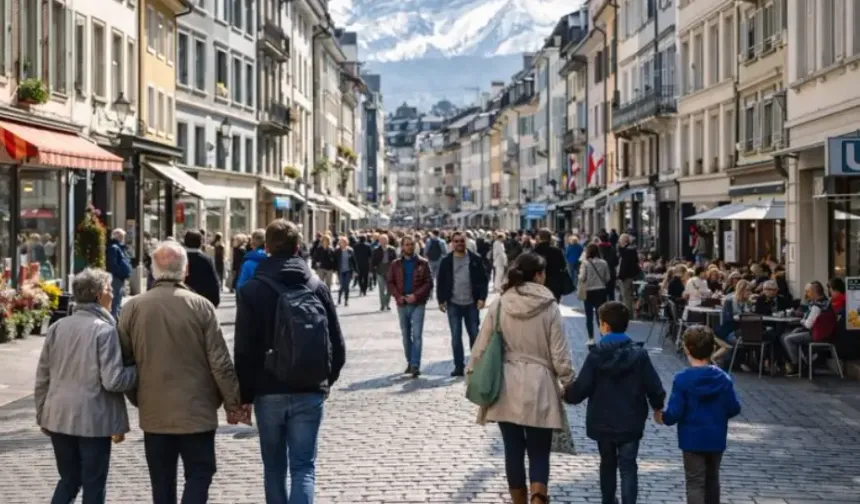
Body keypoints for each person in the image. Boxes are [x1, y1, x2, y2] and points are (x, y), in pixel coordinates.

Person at [118, 240, 244, 504]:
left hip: (155, 409)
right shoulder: (201, 306)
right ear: (185, 271)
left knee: (162, 482)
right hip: (197, 409)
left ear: (153, 271)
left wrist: (138, 397)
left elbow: (124, 361)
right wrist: (233, 402)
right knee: (200, 472)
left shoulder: (132, 308)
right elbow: (220, 361)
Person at [234, 219, 346, 504]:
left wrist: (245, 395)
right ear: (298, 247)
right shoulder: (316, 286)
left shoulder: (251, 290)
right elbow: (337, 343)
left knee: (274, 468)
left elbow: (244, 350)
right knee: (303, 468)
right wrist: (324, 381)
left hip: (268, 390)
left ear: (267, 248)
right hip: (309, 387)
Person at [468, 252, 574, 504]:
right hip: (540, 383)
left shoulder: (500, 303)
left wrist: (472, 373)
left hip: (505, 383)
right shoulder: (550, 306)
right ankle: (538, 499)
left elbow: (481, 345)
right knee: (539, 450)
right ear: (538, 275)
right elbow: (559, 353)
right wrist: (569, 381)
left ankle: (519, 501)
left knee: (512, 449)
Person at [35, 268, 138, 504]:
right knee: (94, 484)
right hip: (94, 420)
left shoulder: (57, 327)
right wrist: (138, 370)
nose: (113, 294)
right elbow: (114, 380)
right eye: (109, 289)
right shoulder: (104, 330)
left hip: (58, 416)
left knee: (68, 480)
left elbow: (43, 377)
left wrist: (42, 414)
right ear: (99, 295)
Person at [564, 302, 666, 504]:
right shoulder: (639, 355)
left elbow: (581, 388)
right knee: (628, 467)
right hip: (630, 421)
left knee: (607, 464)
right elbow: (653, 385)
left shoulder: (596, 356)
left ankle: (608, 500)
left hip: (603, 421)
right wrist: (657, 406)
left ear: (604, 326)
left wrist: (566, 394)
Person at [660, 326, 741, 504]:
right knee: (712, 480)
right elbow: (734, 408)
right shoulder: (723, 378)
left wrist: (663, 417)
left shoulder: (682, 379)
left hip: (691, 439)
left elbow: (675, 412)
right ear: (712, 348)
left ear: (687, 349)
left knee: (695, 483)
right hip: (716, 437)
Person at [436, 231, 489, 377]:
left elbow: (483, 280)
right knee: (456, 336)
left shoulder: (475, 259)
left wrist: (482, 298)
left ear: (466, 242)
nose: (459, 243)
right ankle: (459, 366)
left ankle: (476, 364)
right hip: (454, 303)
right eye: (456, 241)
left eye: (461, 241)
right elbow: (441, 282)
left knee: (474, 334)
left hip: (472, 303)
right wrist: (441, 300)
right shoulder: (446, 261)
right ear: (452, 243)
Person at [387, 235, 433, 378]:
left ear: (415, 245)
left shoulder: (423, 263)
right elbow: (390, 282)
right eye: (406, 244)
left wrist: (416, 296)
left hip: (418, 303)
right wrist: (398, 296)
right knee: (406, 335)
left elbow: (429, 283)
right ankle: (410, 361)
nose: (409, 247)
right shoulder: (395, 264)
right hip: (402, 303)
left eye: (412, 244)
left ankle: (415, 365)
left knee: (417, 335)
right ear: (402, 246)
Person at [781, 281, 836, 375]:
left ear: (815, 292)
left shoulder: (816, 307)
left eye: (808, 292)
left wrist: (802, 321)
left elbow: (808, 325)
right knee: (790, 334)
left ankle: (798, 366)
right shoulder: (826, 303)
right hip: (825, 333)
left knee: (787, 339)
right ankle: (803, 363)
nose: (806, 294)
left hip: (816, 335)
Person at [579, 243, 611, 342]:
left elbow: (582, 277)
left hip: (589, 291)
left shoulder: (585, 263)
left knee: (589, 317)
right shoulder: (604, 263)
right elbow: (608, 278)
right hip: (601, 291)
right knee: (601, 315)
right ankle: (603, 336)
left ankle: (591, 338)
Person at [183, 230, 222, 308]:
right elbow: (213, 282)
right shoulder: (206, 260)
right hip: (201, 301)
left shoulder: (179, 258)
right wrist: (215, 301)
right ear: (201, 243)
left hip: (182, 300)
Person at [532, 228, 569, 303]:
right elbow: (563, 266)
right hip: (555, 282)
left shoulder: (534, 251)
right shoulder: (557, 250)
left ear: (539, 237)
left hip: (539, 282)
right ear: (550, 238)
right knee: (554, 304)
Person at [105, 229, 133, 317]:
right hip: (116, 278)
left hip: (120, 278)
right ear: (118, 237)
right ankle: (113, 318)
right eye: (122, 236)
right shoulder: (114, 248)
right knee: (115, 299)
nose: (123, 238)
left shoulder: (119, 247)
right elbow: (113, 264)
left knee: (118, 299)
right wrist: (120, 273)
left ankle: (116, 317)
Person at [371, 234, 397, 311]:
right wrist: (371, 271)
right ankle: (382, 305)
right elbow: (373, 261)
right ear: (379, 241)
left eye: (385, 240)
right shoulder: (376, 250)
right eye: (382, 240)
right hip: (380, 271)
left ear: (387, 241)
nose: (384, 242)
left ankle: (387, 304)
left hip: (390, 271)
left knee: (389, 289)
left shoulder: (392, 249)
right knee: (381, 289)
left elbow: (395, 260)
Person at [617, 233, 641, 315]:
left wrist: (621, 276)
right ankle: (630, 312)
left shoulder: (626, 251)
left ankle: (628, 313)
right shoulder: (632, 250)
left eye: (620, 240)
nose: (619, 242)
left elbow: (624, 265)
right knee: (629, 295)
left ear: (624, 241)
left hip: (626, 277)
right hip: (631, 275)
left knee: (626, 295)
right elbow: (636, 261)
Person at [334, 236, 359, 307]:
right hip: (340, 271)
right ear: (340, 243)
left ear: (347, 243)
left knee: (347, 286)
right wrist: (335, 270)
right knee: (342, 285)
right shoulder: (337, 251)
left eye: (345, 242)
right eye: (342, 242)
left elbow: (354, 261)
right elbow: (335, 261)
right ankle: (339, 298)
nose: (343, 244)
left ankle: (346, 300)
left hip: (348, 270)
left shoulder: (350, 250)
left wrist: (356, 271)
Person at [597, 231, 618, 301]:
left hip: (600, 274)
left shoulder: (597, 249)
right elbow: (616, 262)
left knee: (602, 294)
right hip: (611, 273)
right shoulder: (612, 249)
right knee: (611, 293)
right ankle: (612, 306)